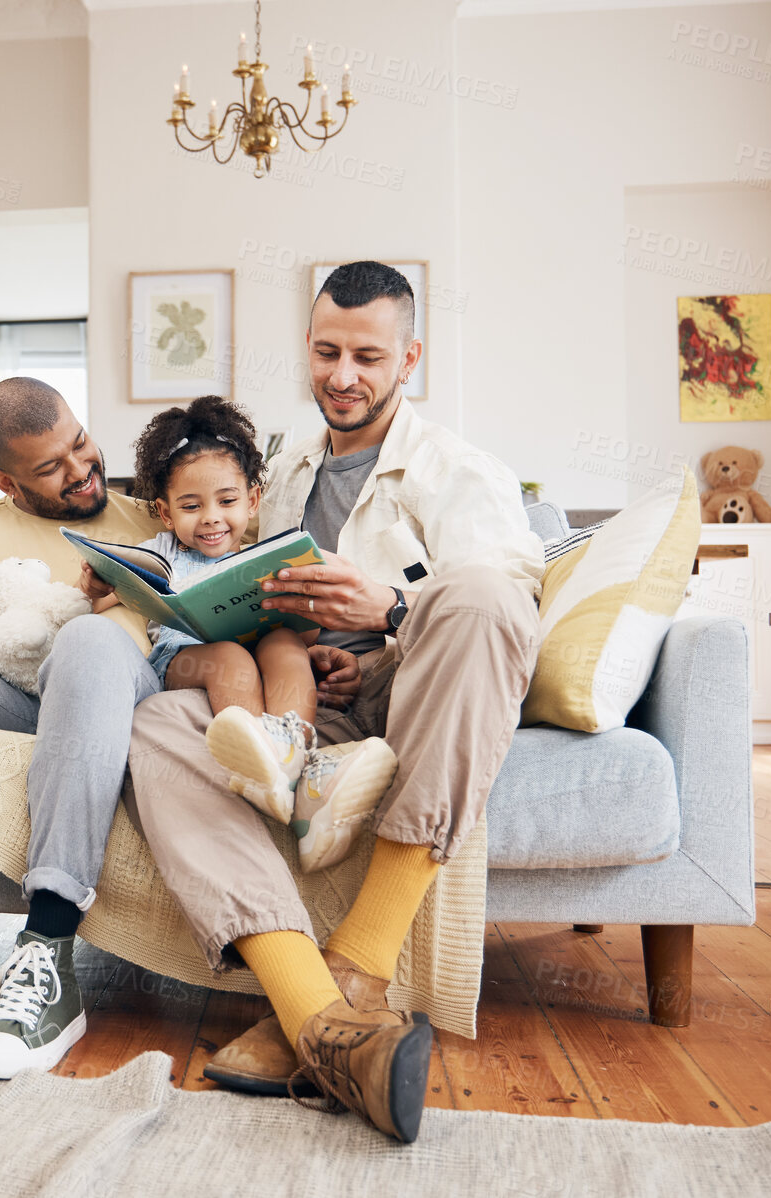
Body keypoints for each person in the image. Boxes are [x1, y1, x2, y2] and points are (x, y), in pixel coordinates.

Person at [0, 377, 360, 1080]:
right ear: (6, 478)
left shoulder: (156, 519)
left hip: (113, 687)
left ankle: (48, 952)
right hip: (3, 691)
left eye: (81, 445)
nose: (82, 469)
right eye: (50, 468)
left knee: (89, 642)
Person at [125, 262, 545, 1143]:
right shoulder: (279, 469)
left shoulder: (458, 472)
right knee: (164, 720)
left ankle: (356, 966)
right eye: (325, 352)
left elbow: (510, 605)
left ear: (408, 358)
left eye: (366, 355)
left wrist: (389, 613)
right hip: (301, 694)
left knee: (478, 597)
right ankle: (322, 1019)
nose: (342, 375)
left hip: (411, 689)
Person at [84, 395, 394, 871]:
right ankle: (259, 761)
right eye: (191, 506)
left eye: (227, 501)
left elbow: (308, 633)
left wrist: (300, 630)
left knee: (285, 643)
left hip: (256, 648)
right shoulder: (159, 549)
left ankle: (293, 752)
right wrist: (97, 583)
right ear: (166, 513)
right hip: (186, 659)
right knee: (228, 653)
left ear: (251, 500)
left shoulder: (265, 554)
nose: (211, 517)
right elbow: (107, 595)